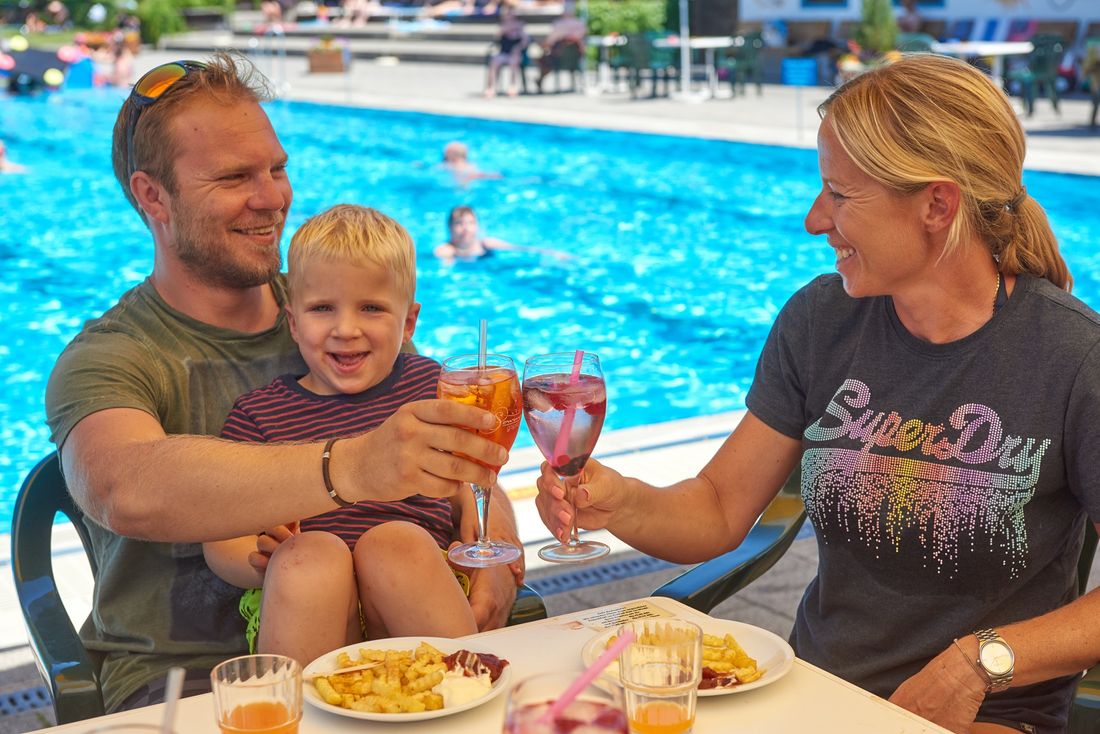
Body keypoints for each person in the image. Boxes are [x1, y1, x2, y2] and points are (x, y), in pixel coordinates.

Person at [534, 53, 1100, 734]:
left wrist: (978, 664)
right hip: (810, 693)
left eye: (840, 194)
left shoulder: (1073, 358)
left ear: (937, 204)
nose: (813, 219)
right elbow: (717, 508)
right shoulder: (821, 320)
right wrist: (617, 500)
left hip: (981, 713)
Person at [45, 53, 520, 714]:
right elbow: (122, 485)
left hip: (401, 643)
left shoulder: (342, 308)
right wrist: (353, 467)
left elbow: (454, 460)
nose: (272, 198)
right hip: (191, 675)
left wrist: (500, 551)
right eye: (237, 176)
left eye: (277, 168)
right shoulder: (113, 356)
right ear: (153, 196)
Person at [204, 204, 503, 665]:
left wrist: (486, 532)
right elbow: (220, 533)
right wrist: (257, 559)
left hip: (414, 582)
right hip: (310, 602)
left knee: (395, 543)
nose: (346, 329)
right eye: (323, 308)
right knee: (311, 558)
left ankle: (463, 694)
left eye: (371, 308)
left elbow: (474, 480)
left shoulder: (433, 390)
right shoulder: (258, 415)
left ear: (407, 323)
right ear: (294, 322)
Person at [434, 205, 570, 262]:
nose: (466, 228)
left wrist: (551, 253)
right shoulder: (446, 250)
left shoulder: (486, 244)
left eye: (470, 223)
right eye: (459, 223)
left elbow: (521, 249)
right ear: (449, 227)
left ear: (477, 226)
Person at [535, 0, 585, 93]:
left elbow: (550, 41)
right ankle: (540, 80)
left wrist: (542, 46)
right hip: (576, 58)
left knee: (544, 58)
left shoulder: (559, 24)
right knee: (546, 57)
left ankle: (540, 80)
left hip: (559, 59)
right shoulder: (580, 24)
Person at [484, 3, 529, 98]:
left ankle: (512, 85)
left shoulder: (520, 25)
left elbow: (525, 40)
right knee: (494, 61)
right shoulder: (502, 26)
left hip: (516, 53)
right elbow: (496, 38)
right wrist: (504, 30)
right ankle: (490, 87)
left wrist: (518, 48)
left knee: (514, 61)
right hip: (504, 52)